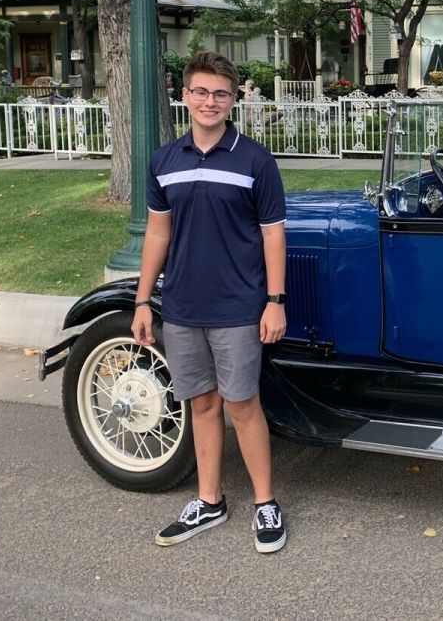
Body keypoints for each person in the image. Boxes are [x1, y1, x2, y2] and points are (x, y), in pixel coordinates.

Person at [132, 51, 288, 554]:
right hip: (181, 305)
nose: (210, 101)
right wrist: (141, 301)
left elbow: (273, 236)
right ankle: (209, 499)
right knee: (201, 403)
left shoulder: (255, 161)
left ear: (233, 100)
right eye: (201, 91)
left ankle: (265, 503)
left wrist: (274, 301)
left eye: (220, 93)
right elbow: (157, 233)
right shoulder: (164, 160)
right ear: (185, 96)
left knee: (242, 404)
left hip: (239, 305)